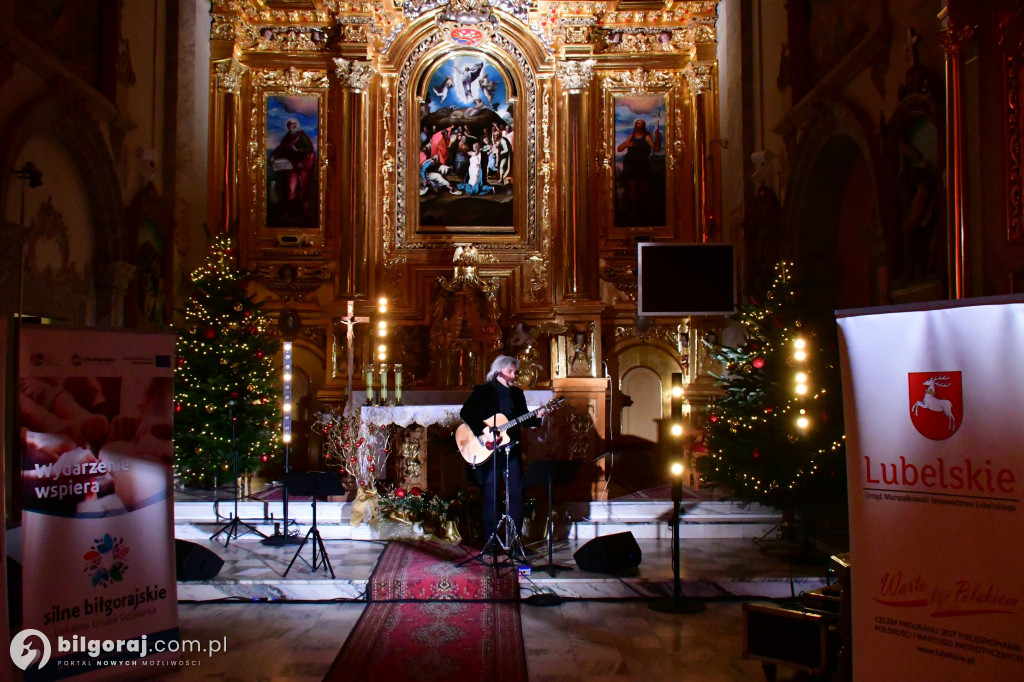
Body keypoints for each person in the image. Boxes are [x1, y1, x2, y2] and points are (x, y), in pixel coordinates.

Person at [460, 355, 546, 550]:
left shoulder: (517, 393)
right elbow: (466, 413)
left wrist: (537, 417)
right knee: (490, 494)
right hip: (488, 451)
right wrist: (482, 430)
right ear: (499, 371)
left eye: (515, 372)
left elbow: (522, 420)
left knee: (516, 493)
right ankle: (491, 541)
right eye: (510, 371)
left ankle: (514, 542)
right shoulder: (483, 391)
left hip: (511, 449)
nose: (514, 375)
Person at [269, 118, 317, 225]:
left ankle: (300, 211)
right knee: (289, 188)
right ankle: (288, 211)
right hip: (291, 167)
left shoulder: (301, 136)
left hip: (301, 166)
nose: (294, 126)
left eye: (295, 124)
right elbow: (282, 149)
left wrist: (298, 151)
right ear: (288, 126)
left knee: (297, 188)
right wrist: (273, 156)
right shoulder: (287, 138)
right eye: (292, 124)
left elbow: (309, 149)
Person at [616, 116, 662, 221]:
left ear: (643, 126)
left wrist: (658, 138)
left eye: (641, 123)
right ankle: (634, 210)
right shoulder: (631, 136)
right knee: (632, 188)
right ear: (635, 125)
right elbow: (619, 149)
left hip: (642, 165)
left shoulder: (646, 137)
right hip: (631, 165)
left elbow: (656, 148)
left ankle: (647, 210)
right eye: (638, 123)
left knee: (644, 188)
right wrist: (627, 144)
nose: (639, 125)